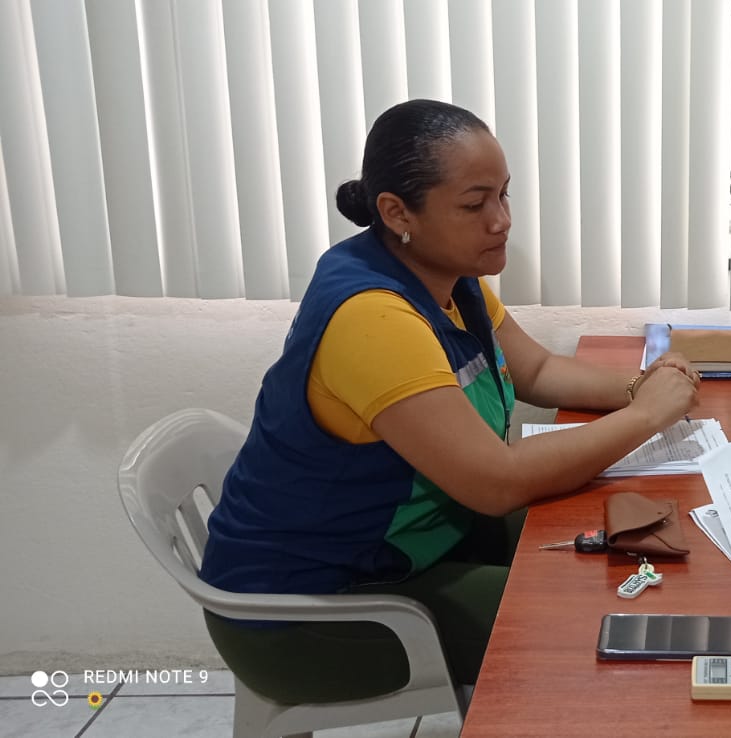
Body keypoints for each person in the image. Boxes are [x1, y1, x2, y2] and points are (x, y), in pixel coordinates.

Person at [199, 99, 700, 705]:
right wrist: (646, 415)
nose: (502, 220)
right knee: (579, 627)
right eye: (474, 204)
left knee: (609, 542)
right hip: (307, 612)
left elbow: (537, 370)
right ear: (396, 212)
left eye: (504, 195)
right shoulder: (374, 317)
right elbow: (497, 483)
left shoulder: (448, 275)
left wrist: (639, 387)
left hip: (416, 543)